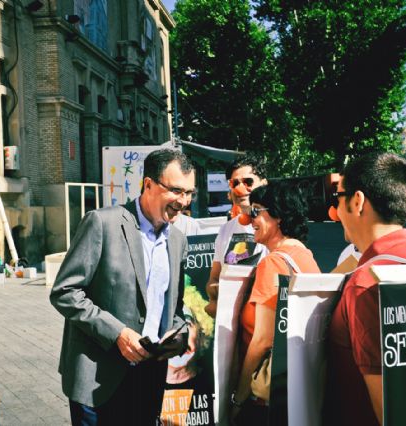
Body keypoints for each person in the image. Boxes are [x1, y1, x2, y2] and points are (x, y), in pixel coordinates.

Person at [49, 148, 194, 425]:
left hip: (148, 377)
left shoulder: (178, 241)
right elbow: (65, 292)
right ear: (148, 184)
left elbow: (173, 307)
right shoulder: (103, 223)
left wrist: (180, 332)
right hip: (98, 379)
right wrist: (116, 333)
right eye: (176, 190)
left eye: (189, 193)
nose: (184, 201)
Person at [324, 152, 406, 425]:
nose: (335, 211)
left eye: (337, 198)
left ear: (357, 201)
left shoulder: (367, 284)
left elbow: (390, 408)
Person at [230, 182, 320, 424]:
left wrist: (238, 399)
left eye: (257, 211)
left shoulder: (273, 264)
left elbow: (262, 341)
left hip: (266, 398)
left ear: (279, 216)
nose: (250, 220)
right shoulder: (304, 256)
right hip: (296, 392)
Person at [204, 156, 268, 317]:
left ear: (264, 184)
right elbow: (213, 279)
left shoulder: (278, 226)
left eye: (248, 182)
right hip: (233, 328)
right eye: (234, 183)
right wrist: (218, 289)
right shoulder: (225, 230)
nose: (240, 188)